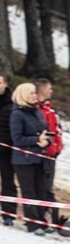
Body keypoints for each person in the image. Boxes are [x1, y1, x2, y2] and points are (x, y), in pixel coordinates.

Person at [9, 83, 52, 235]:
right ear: (23, 95)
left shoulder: (38, 112)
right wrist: (36, 140)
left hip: (40, 157)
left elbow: (46, 132)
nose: (34, 95)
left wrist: (47, 141)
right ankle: (32, 224)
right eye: (31, 93)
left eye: (35, 93)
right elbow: (17, 139)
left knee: (41, 190)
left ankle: (42, 221)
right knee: (29, 192)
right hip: (23, 160)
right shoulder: (17, 114)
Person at [35, 78, 64, 226]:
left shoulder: (51, 110)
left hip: (51, 154)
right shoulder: (36, 109)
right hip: (38, 154)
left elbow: (57, 130)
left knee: (48, 188)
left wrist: (57, 147)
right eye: (49, 88)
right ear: (42, 90)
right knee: (40, 187)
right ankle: (40, 217)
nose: (51, 91)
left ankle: (51, 218)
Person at [0, 73, 17, 226]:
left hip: (6, 151)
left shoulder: (12, 104)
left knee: (7, 182)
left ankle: (8, 213)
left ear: (5, 84)